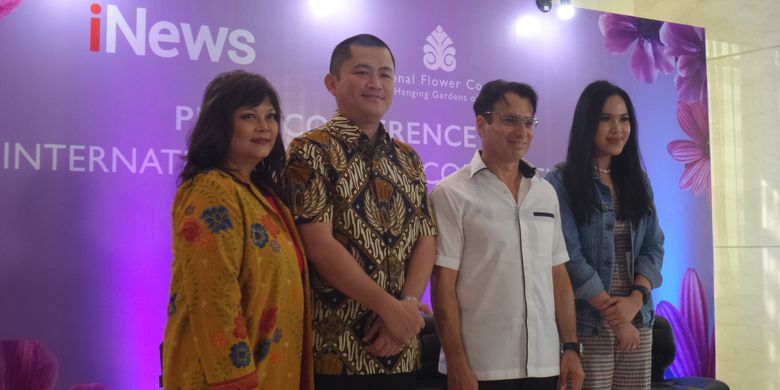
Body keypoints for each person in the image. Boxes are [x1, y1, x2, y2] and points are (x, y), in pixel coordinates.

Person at [284, 33, 437, 390]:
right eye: (363, 72)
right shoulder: (310, 151)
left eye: (385, 74)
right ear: (332, 82)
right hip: (337, 351)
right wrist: (388, 308)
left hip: (402, 347)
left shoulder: (408, 157)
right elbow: (318, 245)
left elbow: (426, 238)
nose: (376, 84)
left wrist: (407, 308)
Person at [163, 70, 313, 390]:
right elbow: (213, 294)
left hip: (271, 368)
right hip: (228, 379)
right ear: (220, 123)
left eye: (271, 116)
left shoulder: (261, 194)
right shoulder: (211, 191)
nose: (264, 126)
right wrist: (235, 379)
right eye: (249, 115)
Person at [431, 79, 584, 390]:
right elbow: (442, 284)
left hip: (543, 365)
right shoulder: (451, 193)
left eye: (529, 122)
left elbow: (558, 274)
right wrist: (457, 362)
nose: (522, 132)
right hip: (482, 368)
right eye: (510, 120)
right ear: (482, 124)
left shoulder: (545, 192)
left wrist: (570, 349)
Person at [545, 80, 664, 389]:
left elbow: (654, 245)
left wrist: (636, 300)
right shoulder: (562, 181)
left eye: (624, 119)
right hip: (589, 320)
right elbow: (570, 257)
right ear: (587, 123)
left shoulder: (638, 180)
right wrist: (617, 317)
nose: (617, 128)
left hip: (637, 314)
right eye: (606, 119)